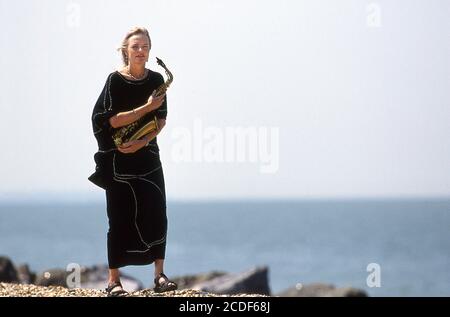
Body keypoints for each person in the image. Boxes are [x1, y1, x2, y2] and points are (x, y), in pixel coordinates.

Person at [89, 27, 177, 296]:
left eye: (145, 47)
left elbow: (161, 120)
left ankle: (159, 276)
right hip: (119, 160)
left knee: (157, 214)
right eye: (136, 46)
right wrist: (145, 108)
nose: (141, 51)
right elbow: (111, 120)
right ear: (125, 50)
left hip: (147, 157)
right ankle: (113, 281)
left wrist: (143, 141)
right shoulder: (114, 81)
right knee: (119, 218)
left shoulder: (157, 79)